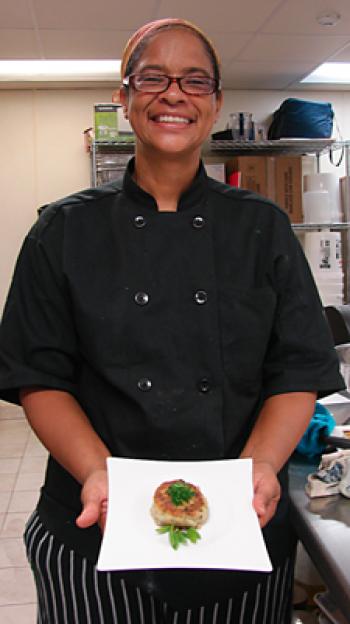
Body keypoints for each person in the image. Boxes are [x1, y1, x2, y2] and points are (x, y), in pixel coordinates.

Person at [0, 17, 344, 624]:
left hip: (240, 527)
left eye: (194, 81)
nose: (173, 94)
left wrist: (262, 465)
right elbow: (40, 377)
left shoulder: (262, 228)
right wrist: (96, 471)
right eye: (153, 77)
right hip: (93, 535)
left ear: (214, 104)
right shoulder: (62, 230)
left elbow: (295, 370)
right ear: (124, 98)